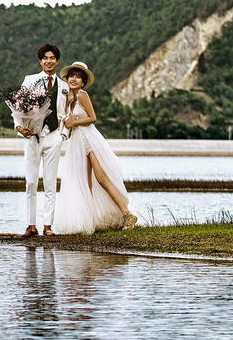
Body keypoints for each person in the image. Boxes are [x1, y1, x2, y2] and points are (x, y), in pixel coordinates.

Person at [52, 61, 138, 233]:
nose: (74, 79)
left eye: (78, 77)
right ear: (67, 79)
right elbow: (67, 121)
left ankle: (127, 213)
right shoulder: (68, 97)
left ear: (83, 82)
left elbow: (92, 118)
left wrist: (73, 122)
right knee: (86, 181)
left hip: (89, 138)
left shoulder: (82, 95)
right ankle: (90, 218)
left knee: (101, 177)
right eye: (72, 76)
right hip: (77, 141)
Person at [11, 44, 68, 237]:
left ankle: (48, 226)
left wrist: (62, 136)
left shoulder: (65, 86)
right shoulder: (30, 80)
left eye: (52, 58)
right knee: (31, 182)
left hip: (53, 137)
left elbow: (67, 114)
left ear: (57, 61)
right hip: (32, 137)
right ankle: (30, 225)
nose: (49, 61)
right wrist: (19, 127)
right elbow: (18, 106)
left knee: (50, 183)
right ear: (40, 61)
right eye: (45, 58)